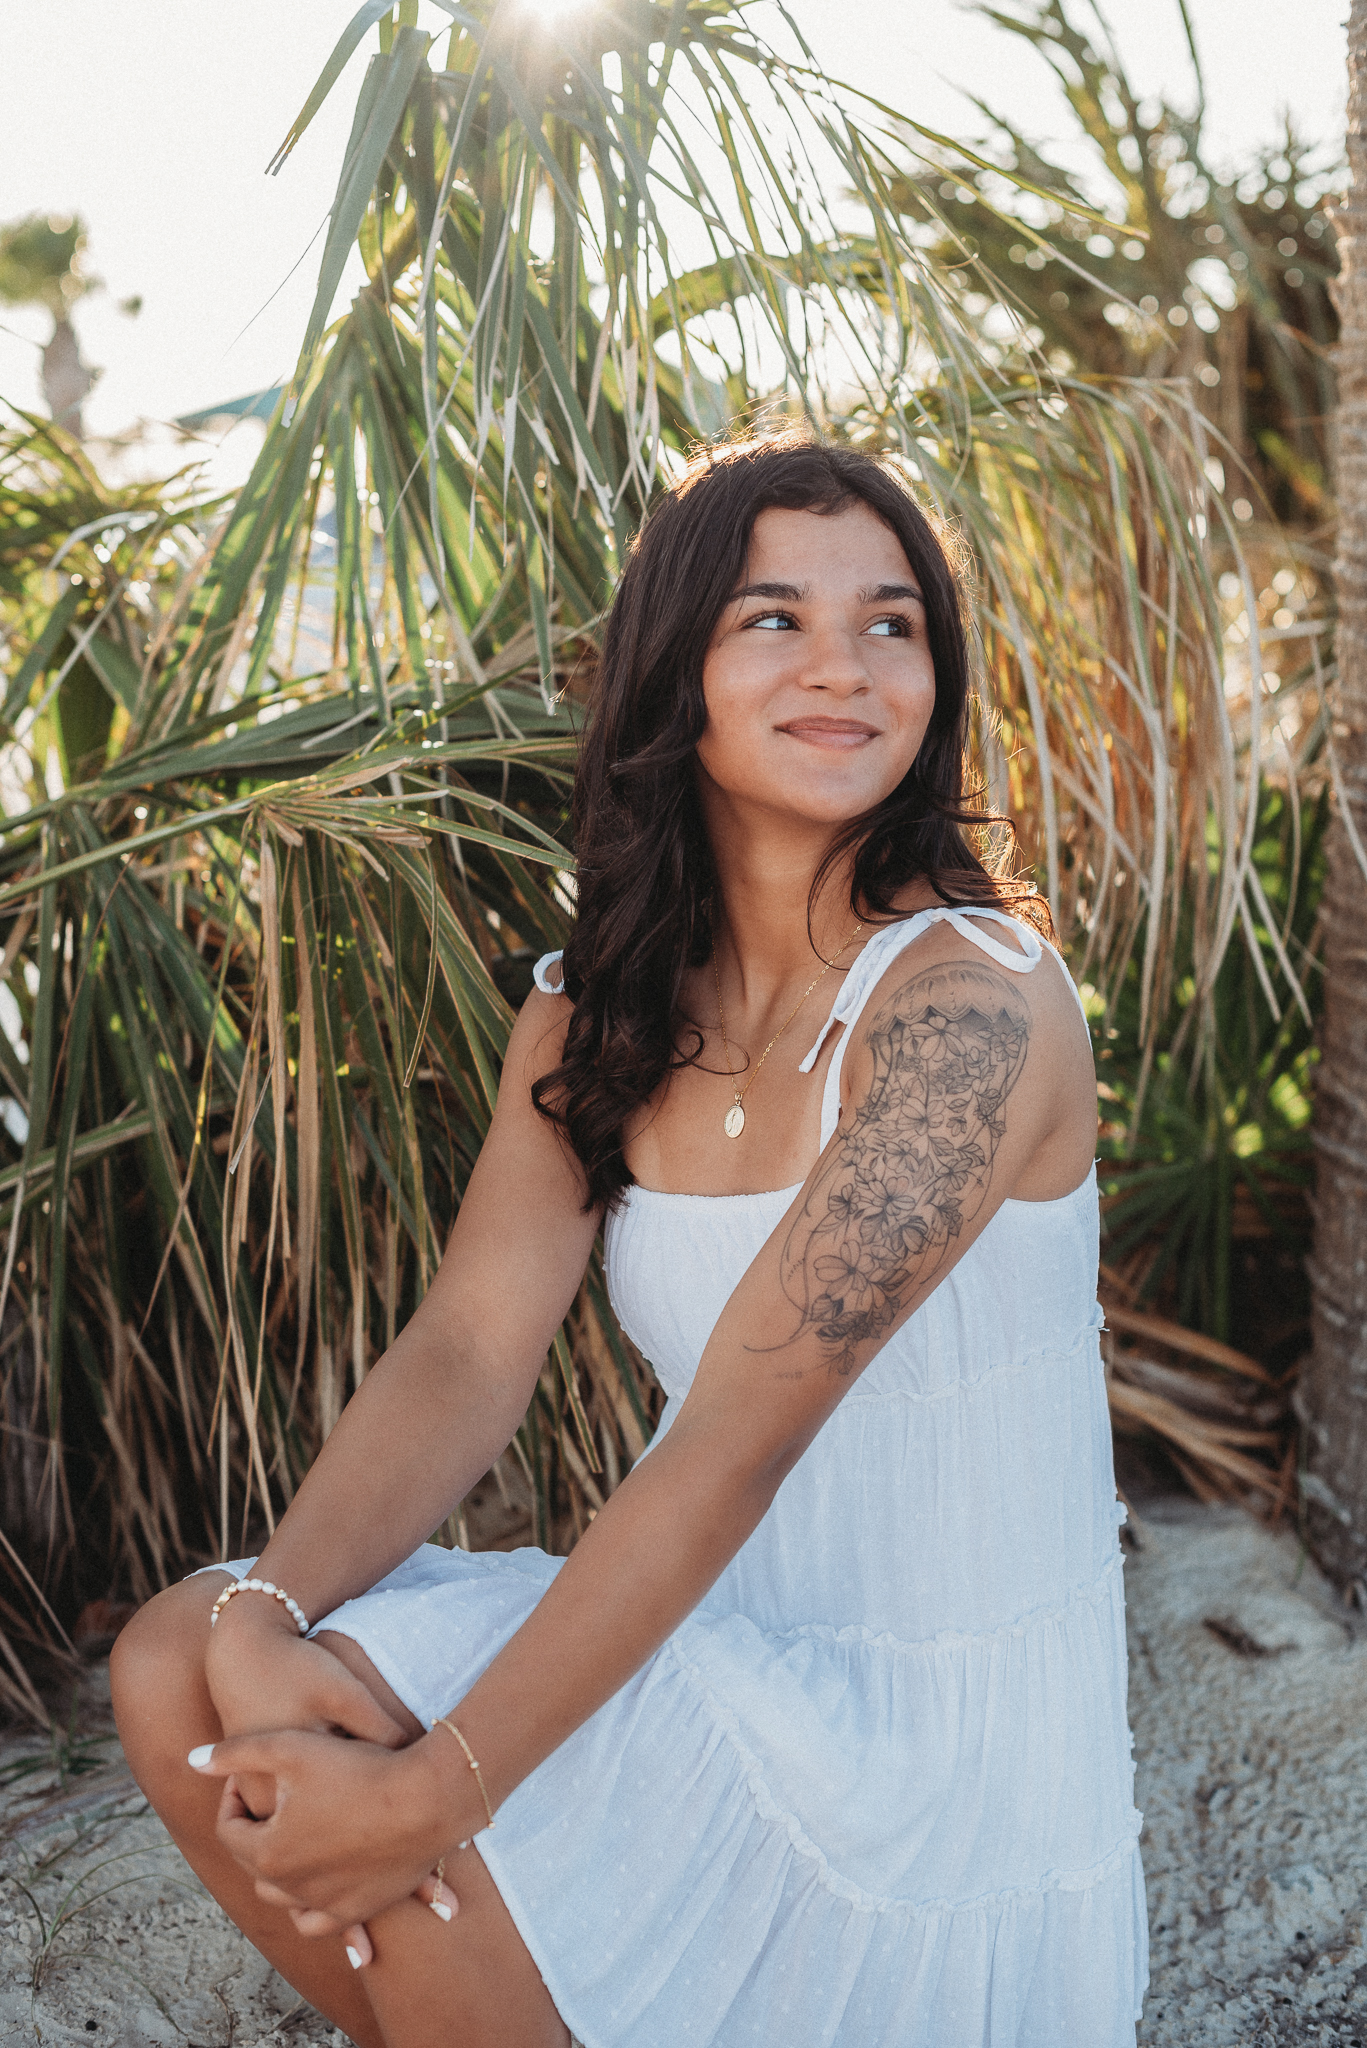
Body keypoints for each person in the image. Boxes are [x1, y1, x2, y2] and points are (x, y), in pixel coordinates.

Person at [111, 433, 1147, 2048]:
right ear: (679, 671)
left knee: (450, 1858)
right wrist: (269, 1615)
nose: (845, 669)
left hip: (930, 1765)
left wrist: (437, 1792)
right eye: (773, 621)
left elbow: (727, 1447)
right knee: (181, 1665)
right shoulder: (595, 1012)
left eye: (893, 624)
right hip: (717, 1649)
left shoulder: (970, 1013)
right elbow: (466, 1352)